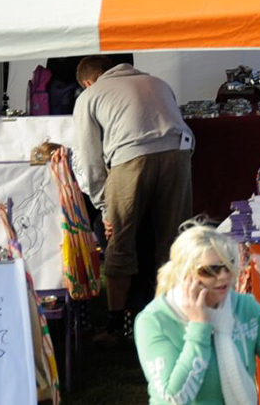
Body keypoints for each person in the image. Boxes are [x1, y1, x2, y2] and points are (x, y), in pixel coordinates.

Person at [72, 56, 195, 336]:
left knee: (120, 241)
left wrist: (104, 208)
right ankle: (173, 317)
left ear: (88, 82)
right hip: (179, 151)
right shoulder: (157, 82)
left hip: (131, 157)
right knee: (172, 241)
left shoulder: (90, 96)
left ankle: (116, 323)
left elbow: (89, 157)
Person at [135, 222, 260, 405]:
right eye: (210, 270)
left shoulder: (243, 307)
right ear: (185, 274)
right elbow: (173, 400)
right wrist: (199, 328)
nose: (223, 275)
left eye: (229, 264)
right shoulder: (153, 320)